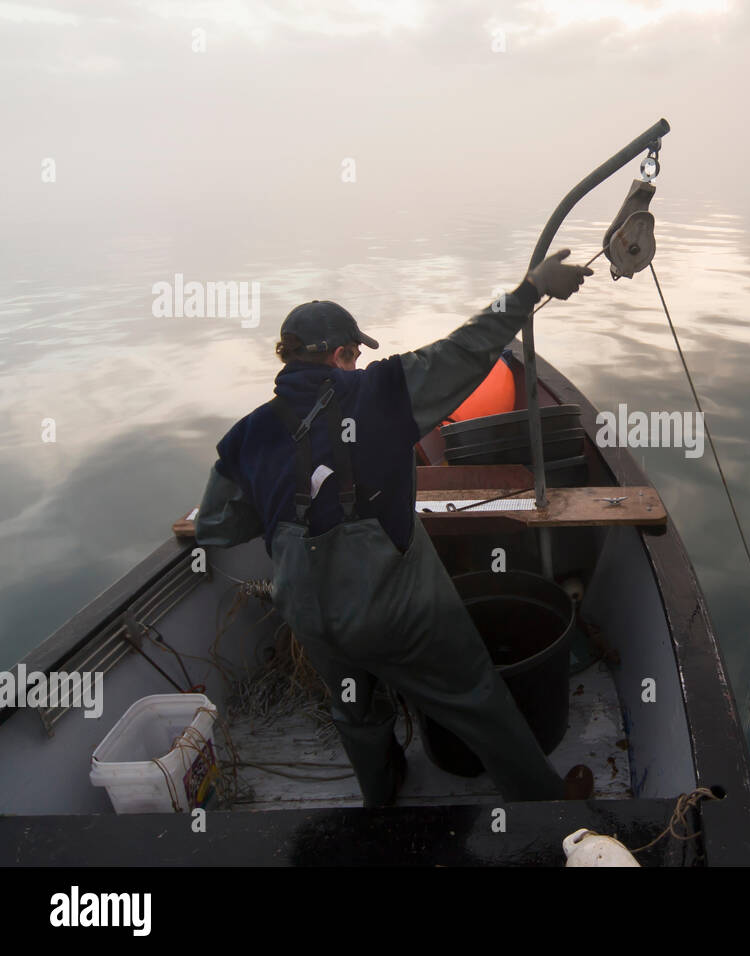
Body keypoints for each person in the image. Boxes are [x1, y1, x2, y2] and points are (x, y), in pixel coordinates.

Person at [194, 250, 595, 806]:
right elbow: (466, 348)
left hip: (308, 615)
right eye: (354, 355)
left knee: (355, 710)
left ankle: (383, 800)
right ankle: (550, 810)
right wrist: (529, 291)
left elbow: (216, 527)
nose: (358, 364)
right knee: (476, 697)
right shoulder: (382, 391)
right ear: (341, 355)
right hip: (395, 610)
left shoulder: (245, 436)